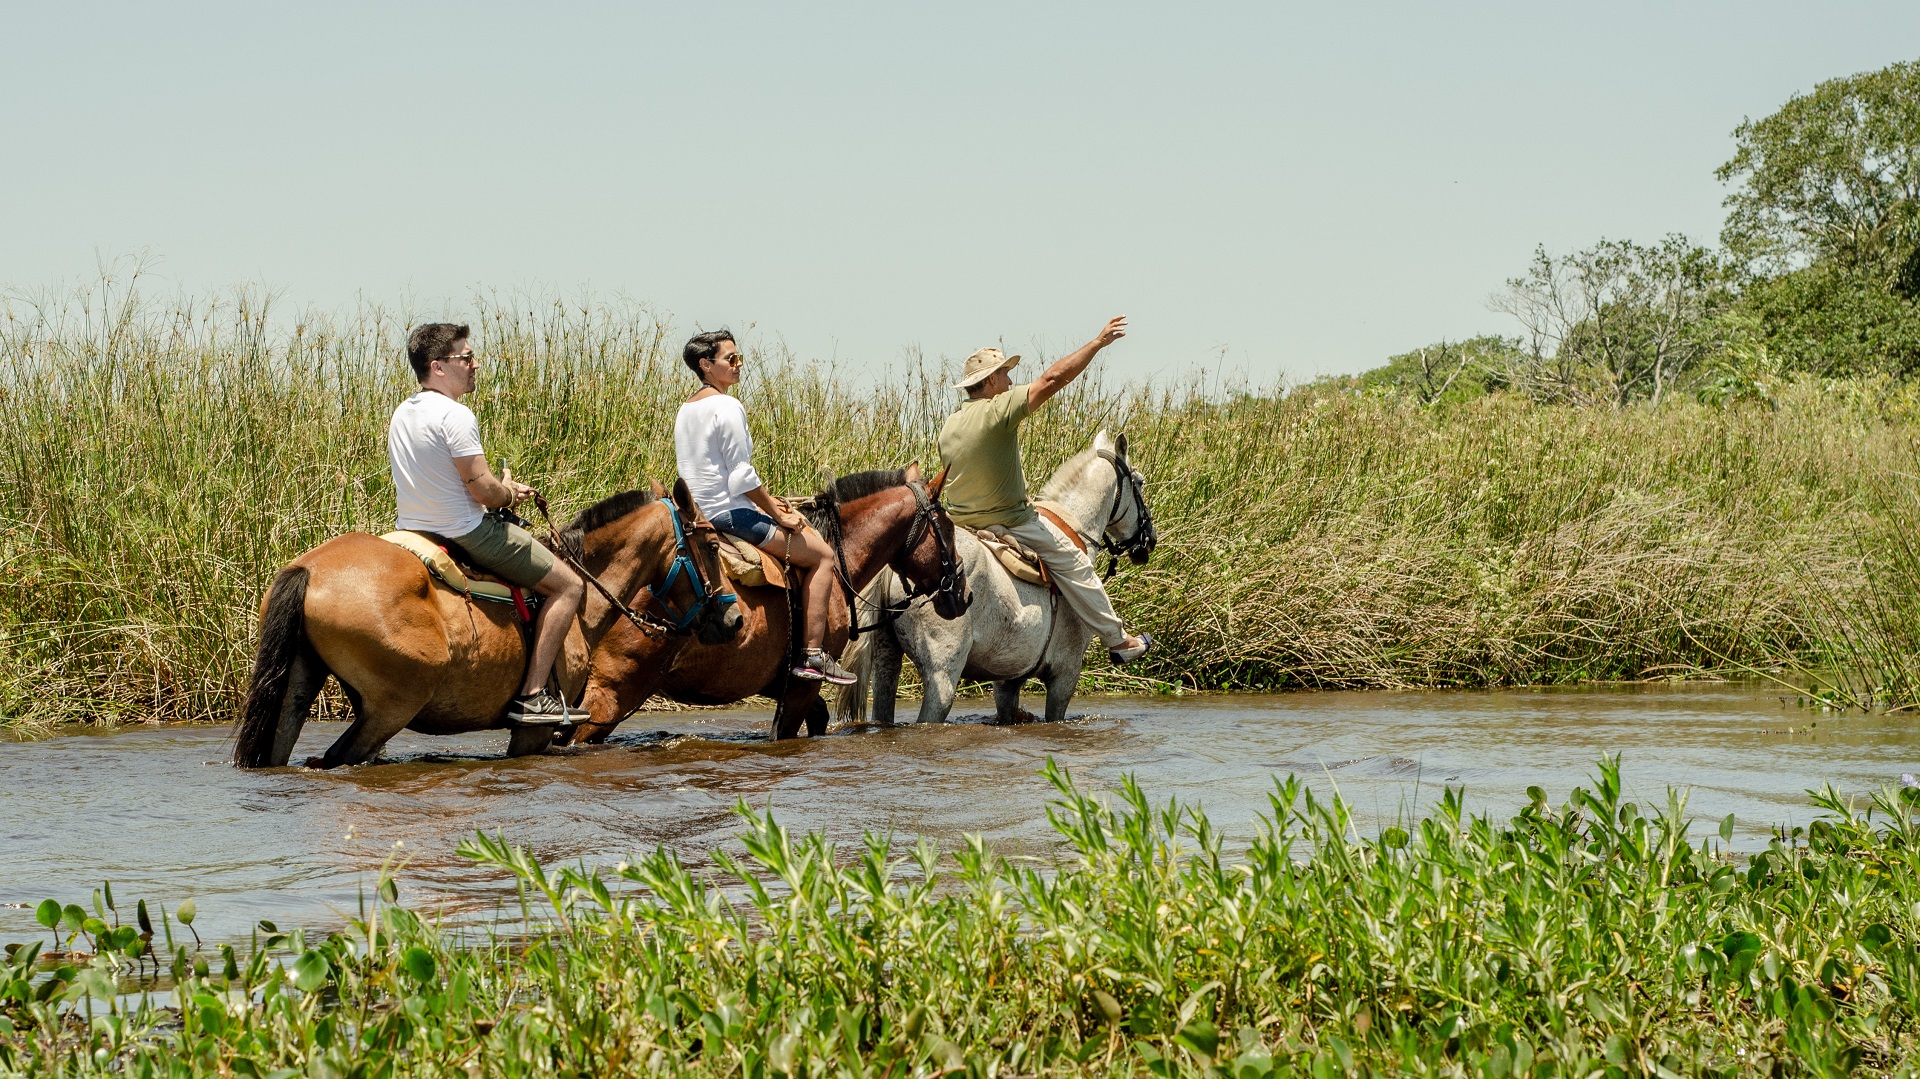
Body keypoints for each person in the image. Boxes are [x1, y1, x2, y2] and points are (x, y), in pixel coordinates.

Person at [388, 322, 585, 722]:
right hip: (467, 531)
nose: (474, 364)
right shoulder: (456, 415)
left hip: (412, 532)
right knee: (569, 586)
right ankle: (533, 695)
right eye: (466, 357)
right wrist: (509, 492)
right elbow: (484, 493)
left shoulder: (403, 412)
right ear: (437, 366)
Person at [937, 316, 1151, 663]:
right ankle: (1118, 641)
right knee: (1077, 564)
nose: (1009, 381)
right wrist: (1097, 343)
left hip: (960, 524)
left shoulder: (950, 423)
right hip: (1010, 521)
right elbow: (1051, 380)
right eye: (1004, 374)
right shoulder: (998, 409)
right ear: (989, 381)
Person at [674, 330, 855, 685]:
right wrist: (777, 513)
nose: (739, 365)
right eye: (731, 359)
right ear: (705, 365)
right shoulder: (728, 406)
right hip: (730, 514)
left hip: (695, 515)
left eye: (739, 357)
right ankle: (813, 655)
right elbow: (742, 477)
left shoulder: (686, 409)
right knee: (821, 556)